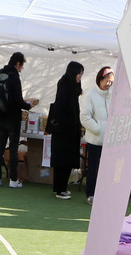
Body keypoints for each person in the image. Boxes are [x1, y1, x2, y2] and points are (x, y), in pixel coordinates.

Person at [0, 52, 36, 188]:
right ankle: (13, 180)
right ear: (18, 64)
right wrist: (28, 106)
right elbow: (17, 100)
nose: (21, 69)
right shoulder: (14, 77)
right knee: (13, 148)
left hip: (0, 117)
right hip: (13, 118)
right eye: (21, 66)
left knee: (0, 147)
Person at [47, 61, 84, 200]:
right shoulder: (66, 88)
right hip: (65, 132)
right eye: (79, 73)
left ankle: (59, 188)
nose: (80, 77)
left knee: (63, 161)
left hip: (66, 132)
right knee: (64, 162)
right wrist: (71, 125)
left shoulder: (67, 86)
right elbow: (61, 110)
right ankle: (60, 189)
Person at [79, 65, 113, 204]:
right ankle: (91, 194)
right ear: (100, 79)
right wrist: (99, 129)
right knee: (93, 168)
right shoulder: (90, 95)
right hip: (95, 139)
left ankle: (105, 194)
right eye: (106, 81)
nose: (108, 84)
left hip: (110, 140)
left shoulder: (113, 95)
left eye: (111, 81)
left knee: (108, 169)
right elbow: (85, 118)